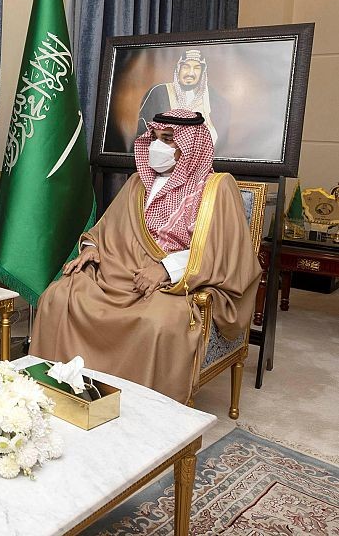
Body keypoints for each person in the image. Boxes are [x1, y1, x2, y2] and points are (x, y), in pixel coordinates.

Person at [30, 109, 261, 403]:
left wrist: (165, 269)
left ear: (191, 145)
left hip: (176, 281)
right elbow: (107, 228)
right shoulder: (138, 182)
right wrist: (92, 249)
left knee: (158, 323)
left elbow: (223, 250)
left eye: (168, 139)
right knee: (58, 296)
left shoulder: (217, 188)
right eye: (154, 137)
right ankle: (61, 388)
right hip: (118, 269)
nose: (157, 146)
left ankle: (140, 406)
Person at [137, 50, 230, 150]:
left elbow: (220, 141)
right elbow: (144, 134)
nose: (190, 73)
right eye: (186, 67)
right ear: (178, 69)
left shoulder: (216, 101)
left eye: (197, 68)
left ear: (202, 72)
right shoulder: (159, 93)